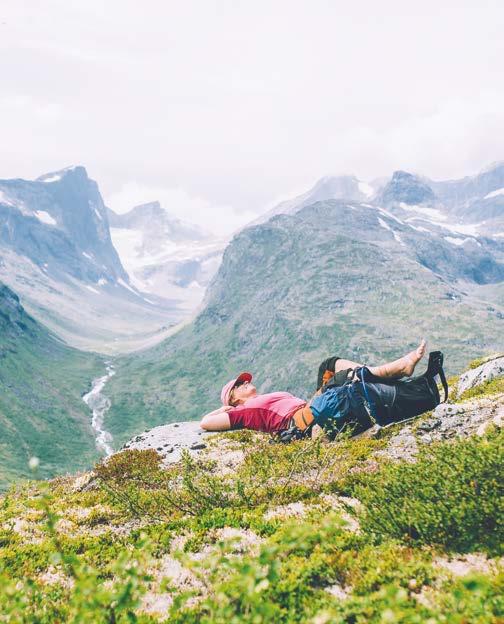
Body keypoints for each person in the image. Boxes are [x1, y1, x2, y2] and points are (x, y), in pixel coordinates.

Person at [200, 340, 433, 435]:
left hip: (310, 407)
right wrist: (224, 410)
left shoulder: (257, 402)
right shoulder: (244, 412)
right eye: (239, 385)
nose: (245, 382)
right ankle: (398, 368)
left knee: (329, 365)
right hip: (302, 421)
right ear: (233, 398)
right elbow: (205, 423)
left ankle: (389, 372)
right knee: (342, 378)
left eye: (244, 380)